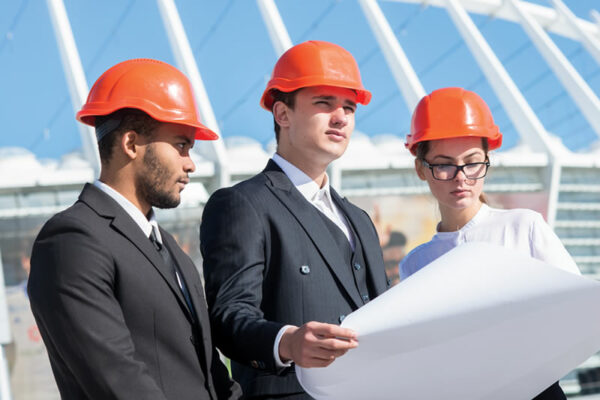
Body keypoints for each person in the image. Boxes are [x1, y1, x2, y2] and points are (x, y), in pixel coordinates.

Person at [28, 59, 241, 400]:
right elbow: (116, 379)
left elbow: (210, 372)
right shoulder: (72, 241)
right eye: (181, 145)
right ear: (131, 143)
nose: (191, 163)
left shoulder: (171, 251)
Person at [200, 40, 390, 399]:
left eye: (349, 107)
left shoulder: (360, 220)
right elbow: (227, 316)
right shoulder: (242, 204)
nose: (341, 117)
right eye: (324, 103)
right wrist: (286, 342)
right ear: (282, 114)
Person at [399, 87, 580, 400]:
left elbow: (578, 312)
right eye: (444, 164)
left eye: (472, 162)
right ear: (420, 169)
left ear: (487, 161)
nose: (461, 177)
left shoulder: (524, 228)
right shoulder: (415, 264)